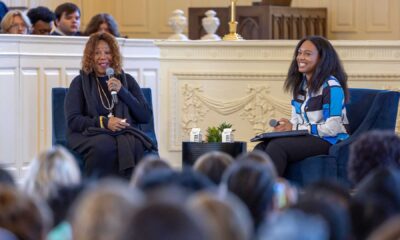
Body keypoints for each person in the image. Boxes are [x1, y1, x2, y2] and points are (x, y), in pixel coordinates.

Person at [65, 32, 156, 178]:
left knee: (133, 143)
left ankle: (129, 194)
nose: (103, 57)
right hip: (88, 133)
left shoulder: (127, 81)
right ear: (90, 57)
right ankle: (95, 192)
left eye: (107, 52)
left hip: (122, 132)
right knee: (104, 144)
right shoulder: (80, 83)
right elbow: (73, 120)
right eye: (97, 53)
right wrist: (104, 123)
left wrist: (122, 92)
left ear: (114, 56)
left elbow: (145, 116)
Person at [254, 35, 349, 176]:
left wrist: (294, 128)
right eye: (299, 52)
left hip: (330, 139)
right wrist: (286, 127)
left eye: (308, 54)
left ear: (322, 58)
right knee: (261, 147)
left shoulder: (332, 87)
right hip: (308, 136)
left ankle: (271, 194)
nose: (301, 57)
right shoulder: (300, 86)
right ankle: (252, 192)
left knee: (277, 147)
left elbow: (333, 128)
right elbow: (297, 120)